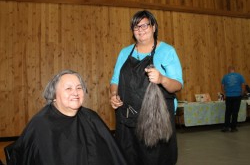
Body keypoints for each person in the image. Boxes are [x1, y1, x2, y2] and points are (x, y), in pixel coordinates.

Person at [8, 69, 128, 165]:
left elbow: (113, 155)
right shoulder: (41, 125)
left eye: (79, 88)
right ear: (54, 95)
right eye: (68, 88)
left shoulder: (91, 117)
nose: (75, 93)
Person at [110, 10, 183, 165]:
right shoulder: (124, 53)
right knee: (128, 157)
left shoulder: (167, 51)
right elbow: (115, 80)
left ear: (154, 27)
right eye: (136, 27)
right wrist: (113, 95)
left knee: (154, 159)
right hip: (127, 119)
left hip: (156, 121)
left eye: (145, 25)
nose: (140, 30)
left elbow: (177, 85)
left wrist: (162, 79)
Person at [221, 66, 245, 132]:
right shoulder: (240, 76)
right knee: (235, 112)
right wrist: (242, 93)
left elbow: (222, 85)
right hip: (237, 96)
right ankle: (233, 128)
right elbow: (243, 85)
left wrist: (224, 93)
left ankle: (226, 127)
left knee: (228, 112)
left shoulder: (225, 76)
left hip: (228, 96)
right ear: (234, 69)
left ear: (229, 70)